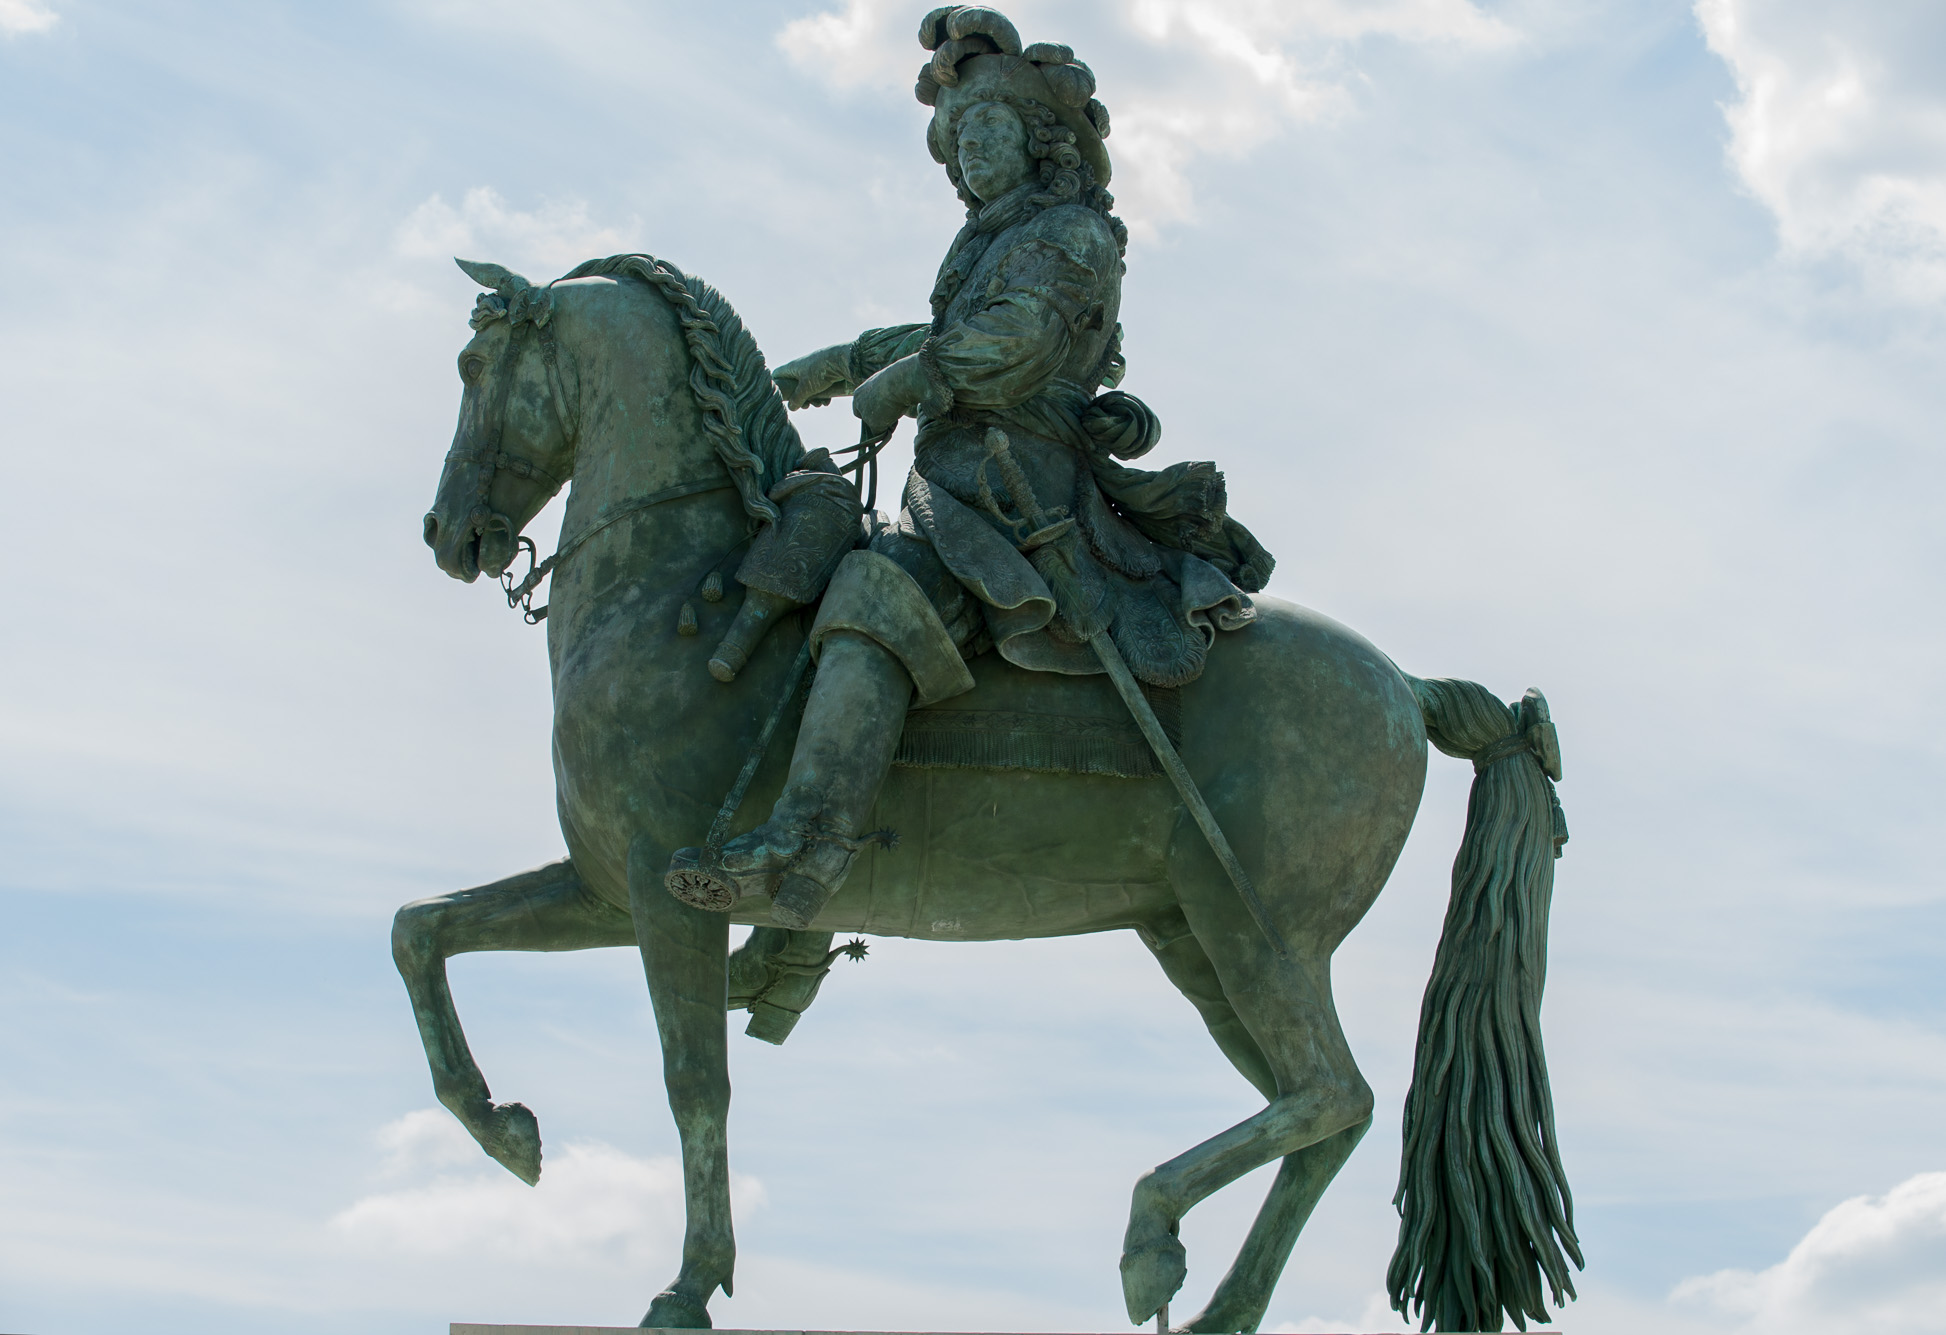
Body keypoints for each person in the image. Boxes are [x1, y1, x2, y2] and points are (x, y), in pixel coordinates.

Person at [669, 6, 1272, 930]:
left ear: (1037, 142)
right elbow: (938, 330)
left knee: (877, 589)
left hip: (1015, 484)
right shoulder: (990, 240)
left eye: (985, 131)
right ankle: (800, 927)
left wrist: (916, 375)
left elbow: (1017, 337)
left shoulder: (1072, 233)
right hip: (954, 481)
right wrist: (833, 367)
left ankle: (806, 844)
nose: (969, 154)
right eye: (957, 143)